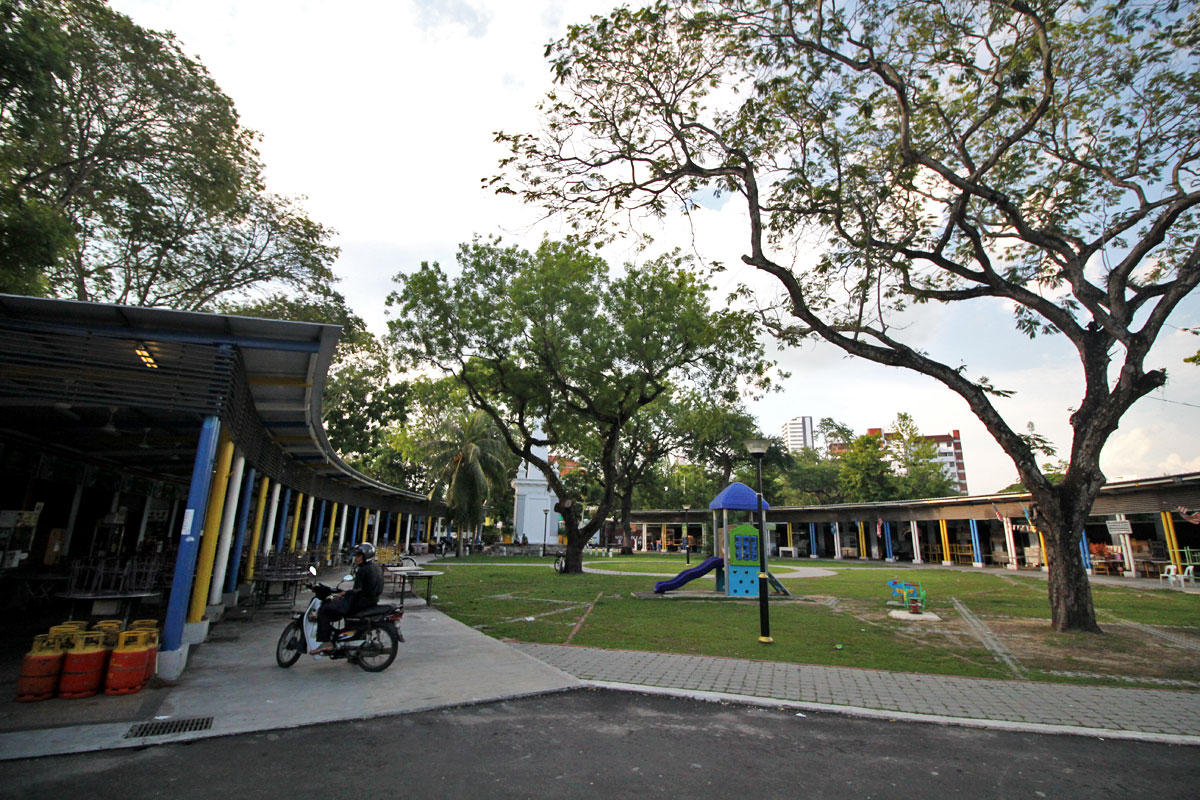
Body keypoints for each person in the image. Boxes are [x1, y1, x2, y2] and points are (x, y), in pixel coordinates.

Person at [310, 542, 384, 655]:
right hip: (371, 601)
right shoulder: (376, 567)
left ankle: (326, 642)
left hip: (361, 601)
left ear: (365, 557)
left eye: (359, 556)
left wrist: (344, 594)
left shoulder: (363, 570)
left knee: (324, 610)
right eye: (356, 556)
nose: (356, 558)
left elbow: (357, 590)